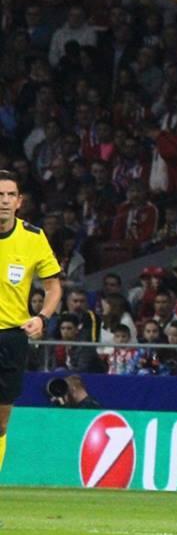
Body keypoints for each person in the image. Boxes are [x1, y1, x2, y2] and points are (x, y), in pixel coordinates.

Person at [0, 170, 62, 473]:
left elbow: (53, 287)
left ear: (19, 201)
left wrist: (42, 317)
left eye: (10, 195)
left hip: (12, 338)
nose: (4, 200)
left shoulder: (33, 238)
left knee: (1, 423)